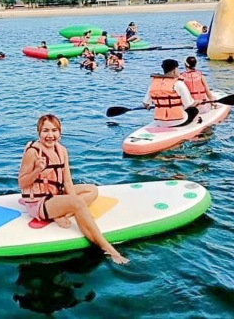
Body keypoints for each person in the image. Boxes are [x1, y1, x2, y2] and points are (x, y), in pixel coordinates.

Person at [18, 114, 129, 264]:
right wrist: (37, 170)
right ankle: (109, 249)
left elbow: (68, 182)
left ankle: (61, 212)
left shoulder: (61, 150)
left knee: (92, 190)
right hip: (39, 202)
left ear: (60, 133)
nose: (50, 135)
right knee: (78, 203)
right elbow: (22, 183)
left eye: (54, 130)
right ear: (39, 133)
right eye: (45, 131)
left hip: (55, 195)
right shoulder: (33, 152)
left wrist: (72, 202)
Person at [143, 59, 198, 126]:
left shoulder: (153, 84)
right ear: (175, 70)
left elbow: (145, 103)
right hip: (179, 121)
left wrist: (149, 106)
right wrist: (197, 102)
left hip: (160, 122)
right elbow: (188, 104)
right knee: (194, 110)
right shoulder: (179, 83)